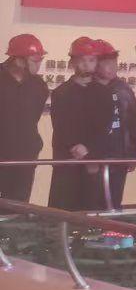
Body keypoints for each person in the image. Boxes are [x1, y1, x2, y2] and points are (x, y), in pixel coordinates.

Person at [49, 38, 111, 210]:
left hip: (93, 158)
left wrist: (89, 149)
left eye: (91, 60)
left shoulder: (104, 93)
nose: (86, 65)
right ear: (73, 62)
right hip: (66, 158)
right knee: (63, 207)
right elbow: (60, 125)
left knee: (90, 208)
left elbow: (104, 126)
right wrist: (74, 146)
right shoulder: (61, 92)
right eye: (82, 60)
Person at [93, 41, 136, 208]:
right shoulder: (88, 88)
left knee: (114, 200)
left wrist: (135, 154)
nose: (113, 66)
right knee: (93, 201)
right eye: (107, 62)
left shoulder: (123, 89)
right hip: (95, 156)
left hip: (119, 155)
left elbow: (134, 123)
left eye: (114, 62)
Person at [0, 34, 48, 203]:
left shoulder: (39, 85)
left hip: (25, 155)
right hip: (2, 153)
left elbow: (33, 118)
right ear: (19, 60)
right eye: (35, 60)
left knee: (20, 204)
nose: (39, 64)